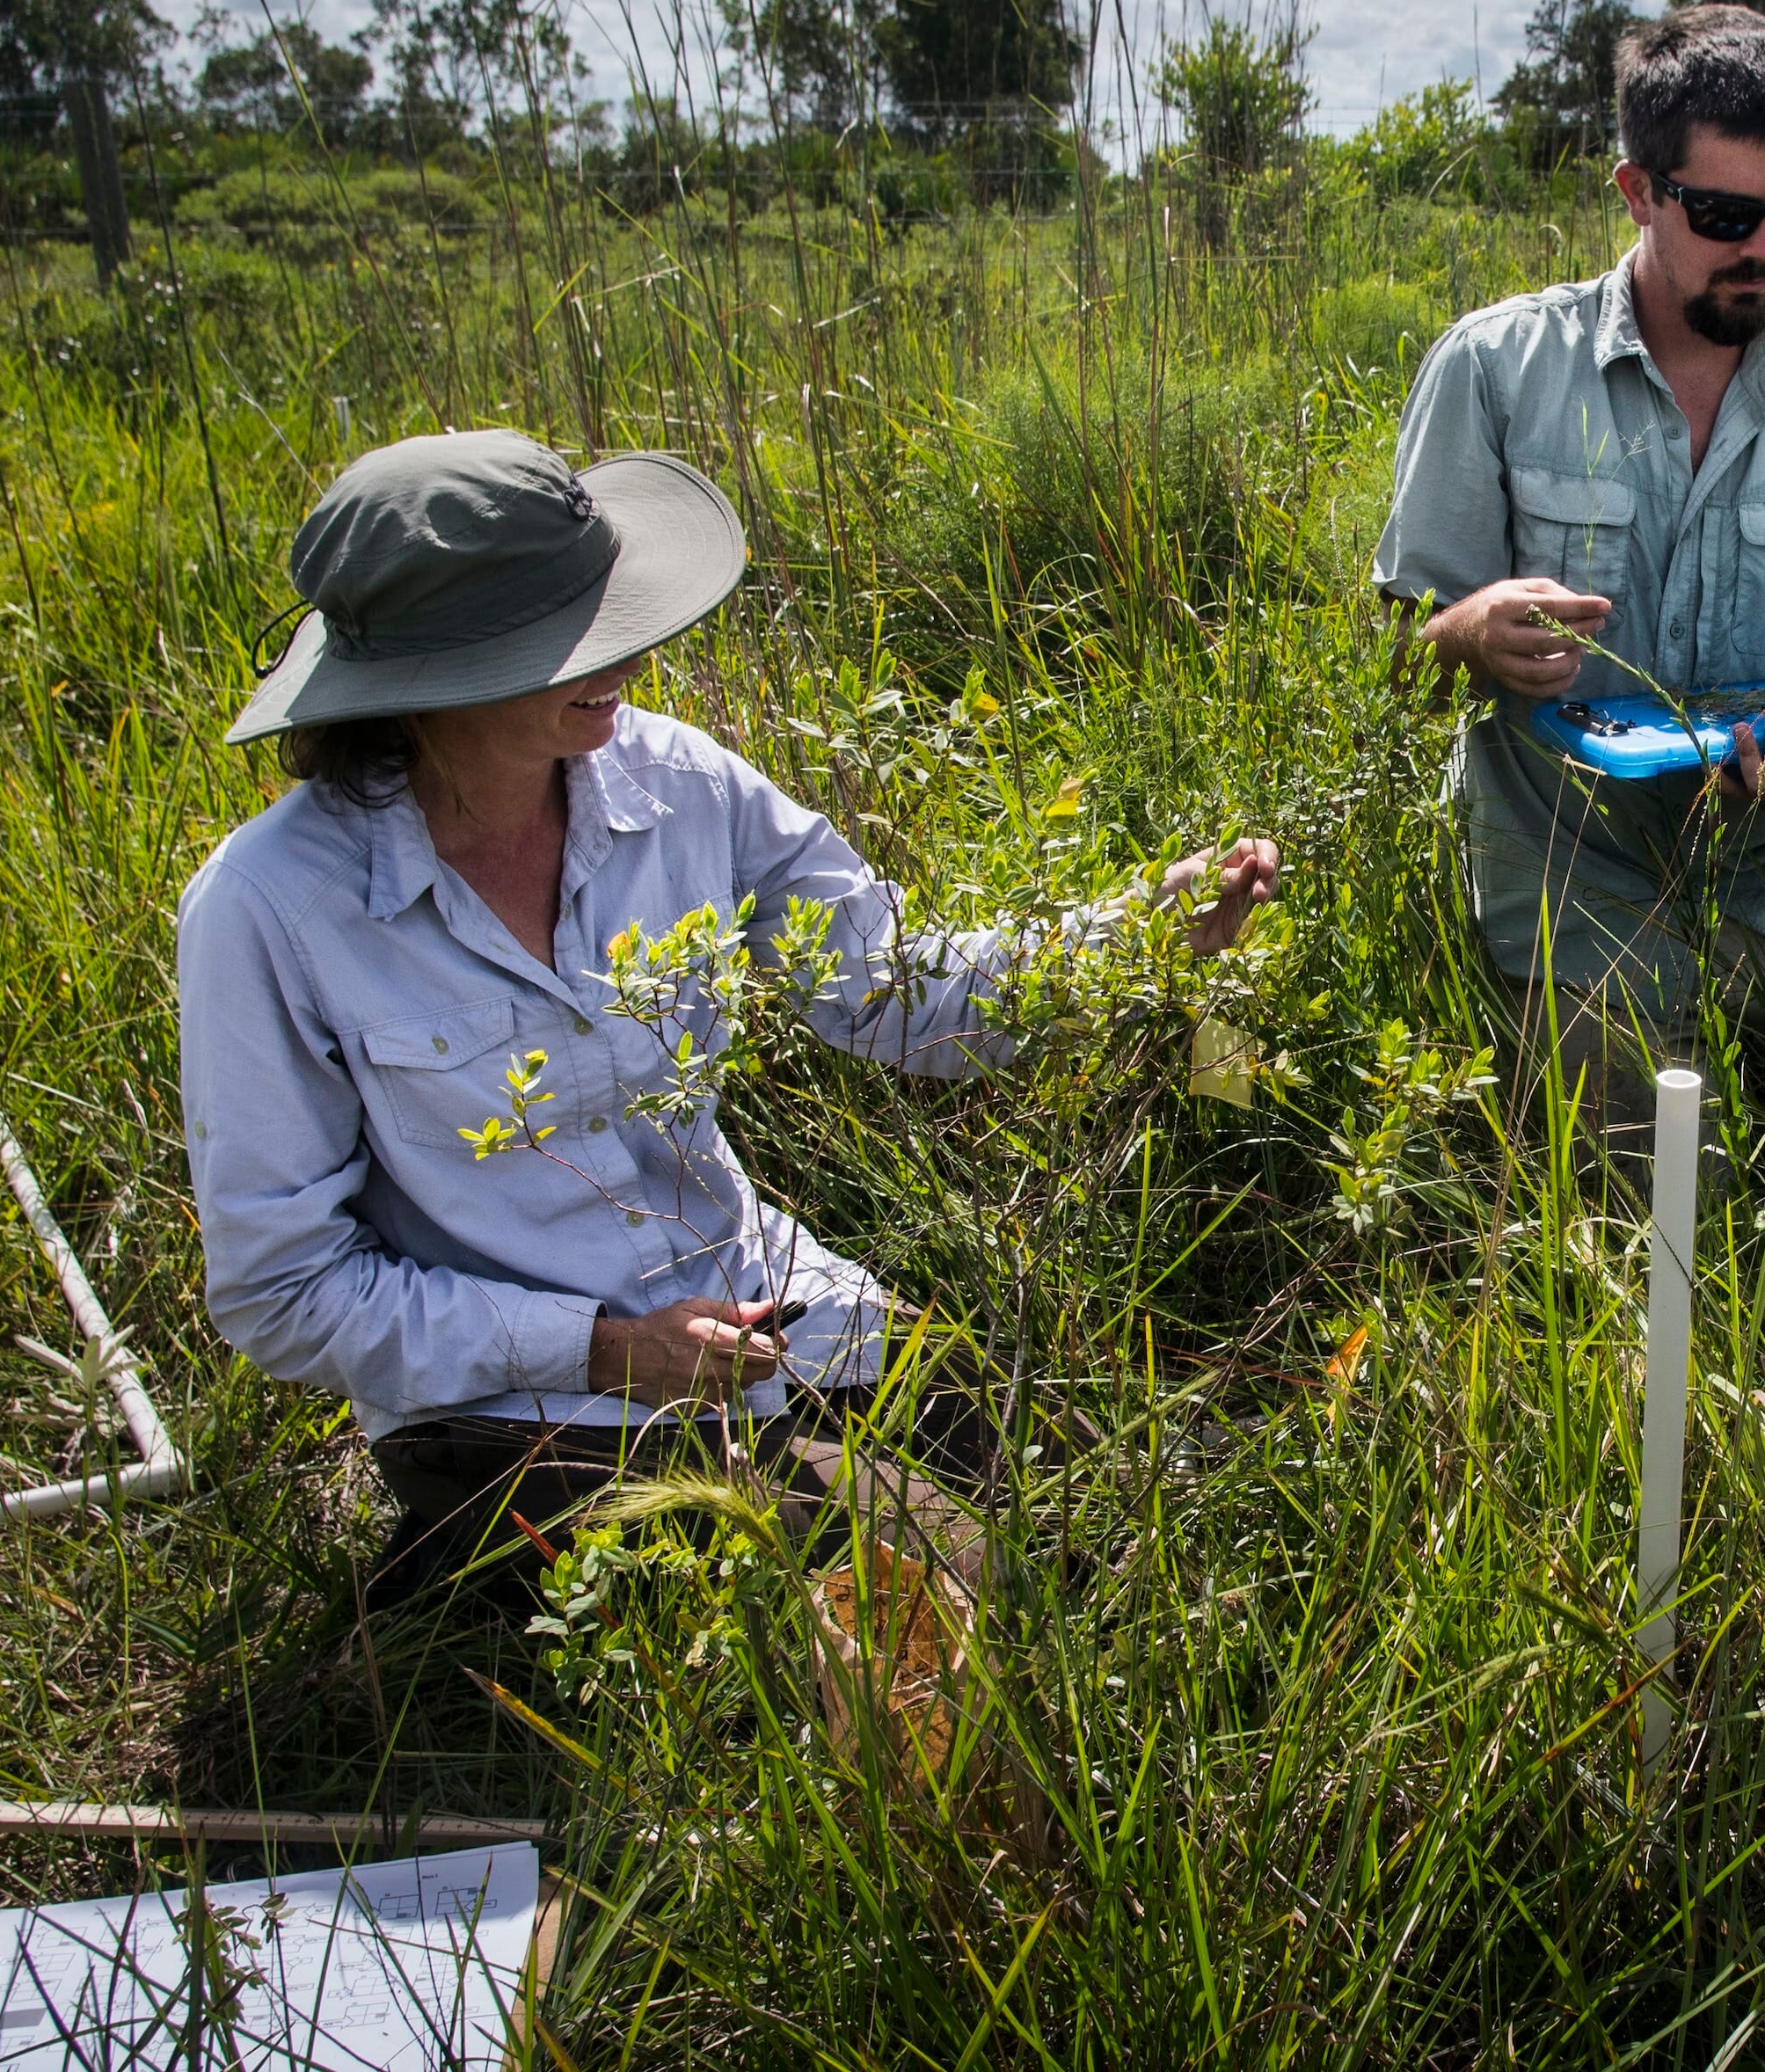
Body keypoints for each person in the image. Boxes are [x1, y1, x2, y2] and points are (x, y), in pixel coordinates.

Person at [178, 430, 1280, 1600]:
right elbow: (283, 1294)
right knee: (919, 1586)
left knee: (1076, 1501)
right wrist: (603, 1351)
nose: (628, 653)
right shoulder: (269, 910)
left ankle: (522, 1574)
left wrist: (1126, 943)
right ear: (423, 686)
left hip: (765, 1307)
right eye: (562, 639)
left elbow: (891, 989)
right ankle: (479, 1553)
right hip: (508, 1398)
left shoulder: (678, 785)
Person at [1372, 4, 1765, 1142]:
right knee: (1674, 1197)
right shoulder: (1494, 368)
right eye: (1728, 215)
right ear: (1637, 192)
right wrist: (1467, 626)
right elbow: (1397, 661)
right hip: (1557, 871)